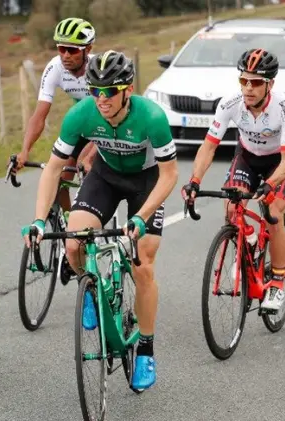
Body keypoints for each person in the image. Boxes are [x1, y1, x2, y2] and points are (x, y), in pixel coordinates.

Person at [21, 50, 178, 390]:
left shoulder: (152, 117)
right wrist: (38, 220)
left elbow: (170, 176)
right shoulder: (82, 115)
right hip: (105, 176)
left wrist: (141, 216)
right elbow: (52, 169)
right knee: (73, 243)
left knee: (143, 265)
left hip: (146, 181)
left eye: (109, 91)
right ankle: (91, 290)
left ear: (128, 89)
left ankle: (146, 350)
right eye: (94, 91)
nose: (101, 99)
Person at [182, 49, 285, 312]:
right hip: (246, 156)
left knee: (273, 214)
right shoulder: (229, 103)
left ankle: (279, 281)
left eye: (256, 82)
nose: (248, 87)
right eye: (243, 80)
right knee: (232, 207)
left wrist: (270, 185)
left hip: (277, 162)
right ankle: (249, 241)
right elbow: (209, 147)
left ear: (270, 84)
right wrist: (195, 181)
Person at [14, 17, 99, 211]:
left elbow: (110, 118)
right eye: (61, 49)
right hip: (82, 125)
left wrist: (88, 156)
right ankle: (72, 228)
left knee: (86, 166)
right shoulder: (55, 68)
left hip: (106, 125)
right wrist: (25, 150)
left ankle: (93, 218)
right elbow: (39, 116)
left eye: (73, 50)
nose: (65, 56)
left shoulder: (98, 69)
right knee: (59, 180)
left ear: (88, 49)